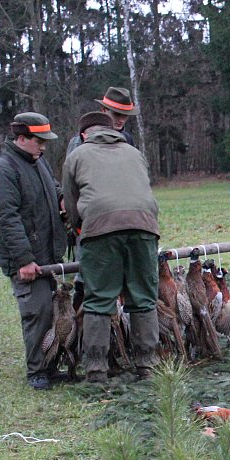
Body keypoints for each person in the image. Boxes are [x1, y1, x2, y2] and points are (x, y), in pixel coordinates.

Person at [62, 111, 161, 382]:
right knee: (143, 297)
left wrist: (79, 229)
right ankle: (148, 365)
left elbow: (71, 203)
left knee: (98, 300)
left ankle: (96, 370)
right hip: (144, 226)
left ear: (84, 134)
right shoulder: (134, 152)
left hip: (100, 230)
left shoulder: (76, 156)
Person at [0, 112, 67, 390]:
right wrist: (24, 260)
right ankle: (37, 371)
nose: (43, 147)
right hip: (27, 259)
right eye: (38, 141)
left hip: (47, 254)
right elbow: (6, 219)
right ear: (21, 138)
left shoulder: (38, 163)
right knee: (36, 312)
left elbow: (53, 188)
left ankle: (50, 365)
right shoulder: (1, 170)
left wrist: (62, 199)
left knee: (51, 312)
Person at [66, 86, 139, 156]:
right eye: (117, 114)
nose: (121, 120)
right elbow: (71, 163)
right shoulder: (81, 139)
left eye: (125, 115)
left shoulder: (127, 139)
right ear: (104, 110)